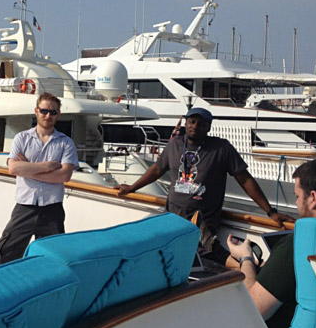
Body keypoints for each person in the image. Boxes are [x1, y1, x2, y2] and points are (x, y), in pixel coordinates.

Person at [116, 107, 290, 268]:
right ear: (185, 123)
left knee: (205, 251)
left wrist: (270, 212)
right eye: (192, 121)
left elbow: (245, 180)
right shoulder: (175, 144)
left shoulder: (221, 148)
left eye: (201, 123)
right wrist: (131, 188)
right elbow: (157, 169)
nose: (195, 126)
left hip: (203, 220)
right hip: (174, 216)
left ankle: (247, 267)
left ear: (208, 127)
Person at [227, 157, 316, 328]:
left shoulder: (299, 244)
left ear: (313, 198)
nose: (296, 204)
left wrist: (246, 259)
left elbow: (254, 309)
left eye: (297, 196)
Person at [0, 93, 79, 265]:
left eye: (53, 112)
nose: (48, 116)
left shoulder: (65, 143)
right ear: (36, 111)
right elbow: (14, 168)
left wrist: (28, 169)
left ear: (58, 114)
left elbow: (64, 175)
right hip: (25, 207)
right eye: (44, 111)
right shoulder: (22, 138)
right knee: (7, 252)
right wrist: (46, 167)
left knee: (55, 256)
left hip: (52, 208)